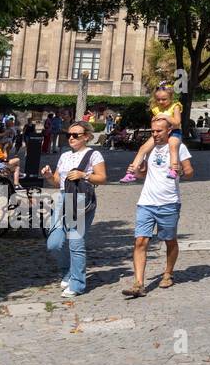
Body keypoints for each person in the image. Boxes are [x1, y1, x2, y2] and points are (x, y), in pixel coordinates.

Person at [123, 116, 195, 298]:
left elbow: (190, 172)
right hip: (146, 202)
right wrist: (136, 171)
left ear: (168, 131)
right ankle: (139, 283)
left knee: (169, 240)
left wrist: (180, 171)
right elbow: (144, 173)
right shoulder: (149, 148)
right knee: (140, 241)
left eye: (159, 131)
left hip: (169, 202)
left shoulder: (179, 147)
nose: (155, 134)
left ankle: (168, 273)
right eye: (153, 131)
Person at [41, 121, 107, 297]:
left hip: (80, 200)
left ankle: (77, 284)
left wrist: (83, 174)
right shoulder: (64, 155)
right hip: (63, 199)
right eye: (68, 135)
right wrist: (48, 176)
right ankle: (68, 271)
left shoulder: (94, 155)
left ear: (86, 137)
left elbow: (102, 178)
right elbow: (57, 181)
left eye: (75, 135)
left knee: (76, 242)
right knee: (54, 243)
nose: (71, 138)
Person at [122, 87, 182, 183]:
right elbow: (154, 122)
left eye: (164, 99)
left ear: (171, 97)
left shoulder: (175, 106)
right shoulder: (156, 109)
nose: (161, 102)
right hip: (160, 133)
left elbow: (177, 123)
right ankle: (131, 172)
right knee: (143, 148)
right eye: (158, 99)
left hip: (174, 132)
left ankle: (173, 169)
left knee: (173, 146)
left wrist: (166, 117)